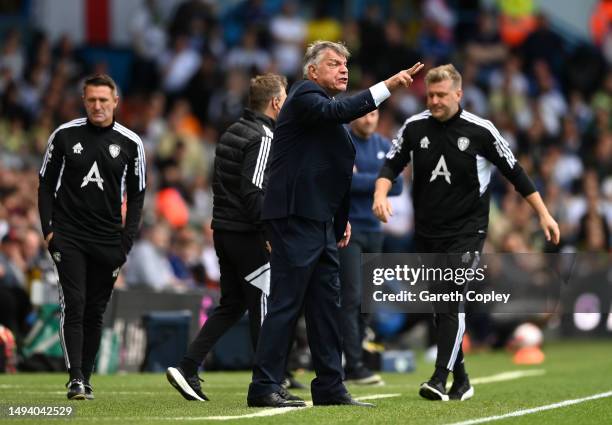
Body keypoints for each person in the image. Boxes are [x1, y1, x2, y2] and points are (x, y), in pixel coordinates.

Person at [246, 40, 423, 408]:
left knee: (327, 306)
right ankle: (263, 385)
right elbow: (344, 111)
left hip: (322, 222)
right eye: (333, 64)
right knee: (286, 303)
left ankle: (329, 386)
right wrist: (386, 87)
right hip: (294, 217)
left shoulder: (331, 119)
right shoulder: (304, 96)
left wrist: (341, 221)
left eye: (345, 64)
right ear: (313, 71)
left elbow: (340, 175)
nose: (343, 69)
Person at [372, 64, 560, 401]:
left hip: (467, 232)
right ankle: (461, 381)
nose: (434, 101)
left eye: (441, 95)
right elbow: (391, 163)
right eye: (430, 95)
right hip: (428, 233)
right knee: (440, 305)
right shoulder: (414, 127)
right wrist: (380, 194)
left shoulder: (481, 131)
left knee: (452, 297)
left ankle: (438, 377)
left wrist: (544, 215)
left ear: (459, 94)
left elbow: (516, 174)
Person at [166, 74, 293, 402]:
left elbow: (222, 183)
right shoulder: (263, 135)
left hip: (223, 230)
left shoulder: (232, 131)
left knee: (233, 304)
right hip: (246, 233)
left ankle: (188, 365)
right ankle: (268, 384)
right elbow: (253, 190)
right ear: (276, 102)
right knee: (265, 300)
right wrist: (267, 231)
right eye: (286, 97)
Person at [38, 74, 146, 400]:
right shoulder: (64, 136)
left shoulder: (131, 143)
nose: (97, 106)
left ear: (116, 102)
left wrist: (126, 242)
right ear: (84, 101)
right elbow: (45, 184)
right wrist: (49, 232)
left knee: (95, 311)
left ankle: (87, 376)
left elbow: (138, 194)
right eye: (91, 100)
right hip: (68, 235)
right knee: (75, 303)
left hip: (108, 240)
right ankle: (74, 379)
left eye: (103, 100)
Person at [340, 109, 403, 386]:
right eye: (364, 115)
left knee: (367, 301)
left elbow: (399, 184)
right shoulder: (343, 141)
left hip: (375, 231)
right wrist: (379, 181)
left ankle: (355, 358)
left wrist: (361, 179)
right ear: (354, 116)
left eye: (375, 115)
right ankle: (352, 364)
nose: (369, 119)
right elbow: (342, 181)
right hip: (348, 230)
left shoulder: (383, 145)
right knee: (351, 297)